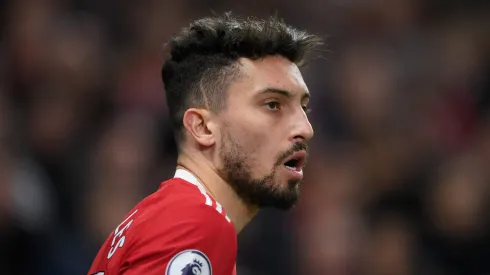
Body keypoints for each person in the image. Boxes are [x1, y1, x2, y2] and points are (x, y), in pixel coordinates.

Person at [87, 13, 322, 275]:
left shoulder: (159, 218)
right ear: (202, 127)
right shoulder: (195, 224)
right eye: (272, 105)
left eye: (304, 108)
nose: (305, 129)